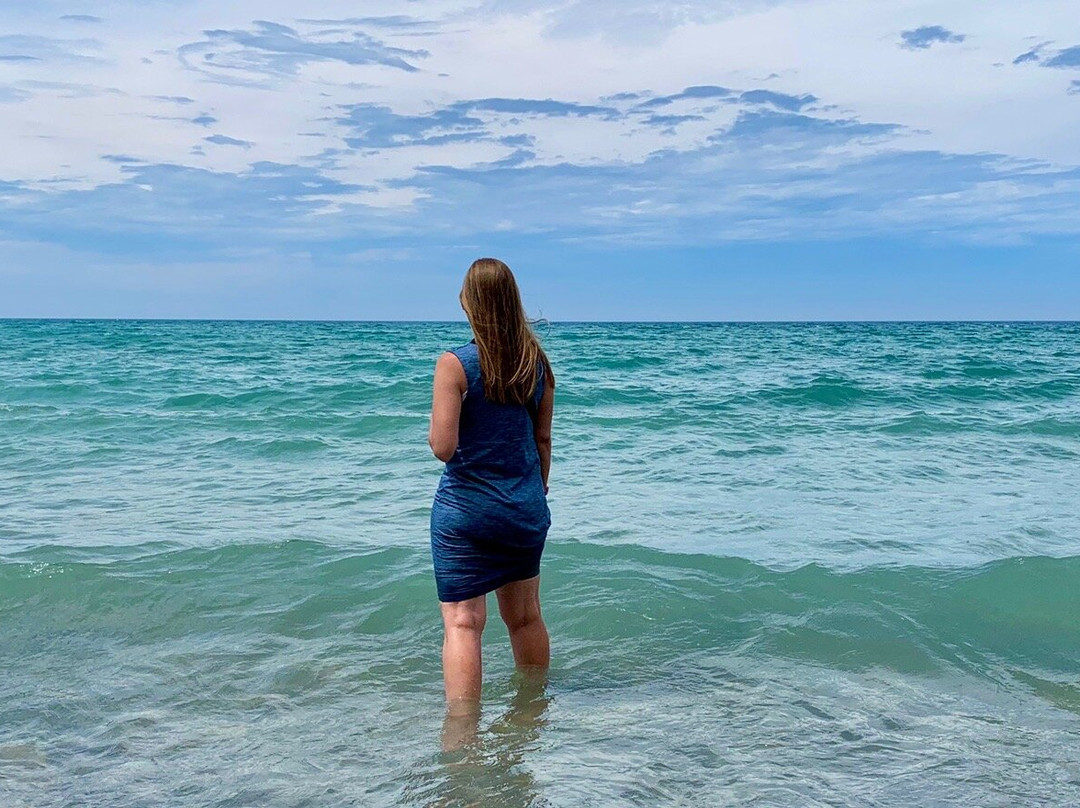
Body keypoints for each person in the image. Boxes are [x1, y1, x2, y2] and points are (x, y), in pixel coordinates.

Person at [428, 258, 555, 717]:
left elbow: (444, 447)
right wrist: (531, 498)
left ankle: (461, 740)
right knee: (525, 619)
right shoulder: (537, 365)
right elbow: (542, 440)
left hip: (468, 513)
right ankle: (533, 718)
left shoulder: (454, 365)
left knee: (464, 624)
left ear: (470, 302)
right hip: (524, 508)